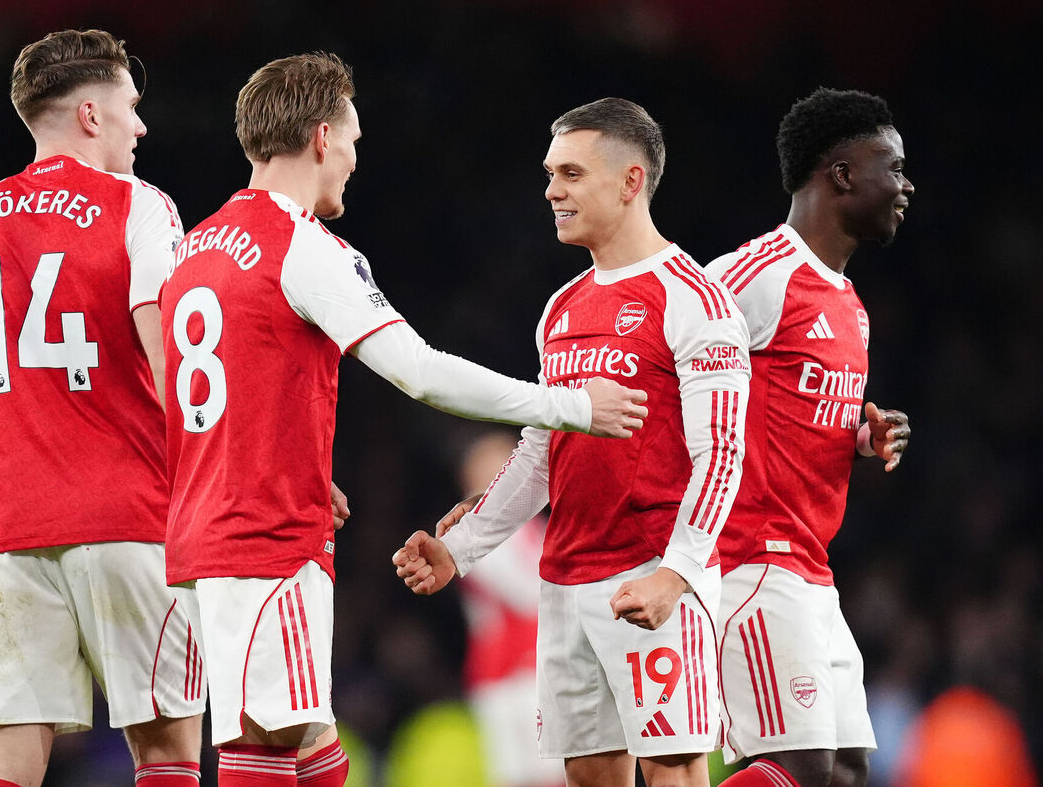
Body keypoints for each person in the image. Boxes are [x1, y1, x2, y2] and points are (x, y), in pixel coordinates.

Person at [158, 55, 649, 787]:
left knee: (302, 743)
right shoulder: (305, 248)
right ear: (322, 137)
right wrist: (571, 406)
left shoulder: (191, 249)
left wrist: (284, 461)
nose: (355, 160)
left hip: (204, 528)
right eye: (352, 140)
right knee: (270, 744)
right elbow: (419, 372)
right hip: (265, 536)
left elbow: (195, 388)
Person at [394, 97, 752, 787]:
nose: (552, 190)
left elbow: (723, 454)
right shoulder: (561, 308)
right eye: (551, 173)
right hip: (564, 582)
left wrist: (676, 575)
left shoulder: (695, 300)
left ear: (630, 180)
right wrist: (458, 551)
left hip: (650, 572)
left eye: (571, 173)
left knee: (673, 770)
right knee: (589, 774)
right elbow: (539, 454)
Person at [0, 29, 203, 787]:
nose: (140, 126)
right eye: (130, 107)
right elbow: (172, 367)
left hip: (4, 539)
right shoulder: (139, 208)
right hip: (130, 521)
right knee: (168, 755)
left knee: (2, 767)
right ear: (89, 113)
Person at [704, 87, 913, 787]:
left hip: (809, 568)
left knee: (849, 771)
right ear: (843, 173)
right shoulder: (756, 274)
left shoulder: (850, 307)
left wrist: (858, 434)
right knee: (799, 769)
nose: (905, 186)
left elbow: (781, 409)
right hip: (750, 560)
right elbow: (664, 347)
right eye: (893, 166)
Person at [451, 430, 565, 787]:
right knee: (519, 774)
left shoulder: (535, 528)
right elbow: (529, 592)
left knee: (553, 770)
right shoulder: (471, 534)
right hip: (504, 671)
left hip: (542, 664)